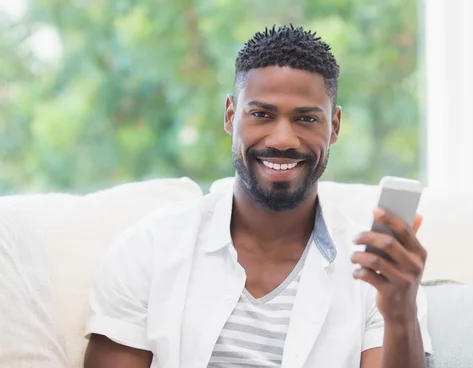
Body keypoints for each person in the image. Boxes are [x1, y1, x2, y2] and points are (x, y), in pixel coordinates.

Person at [83, 25, 432, 368]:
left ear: (334, 126)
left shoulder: (375, 276)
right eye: (261, 114)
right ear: (231, 115)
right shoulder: (149, 249)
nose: (283, 139)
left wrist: (401, 315)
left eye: (307, 119)